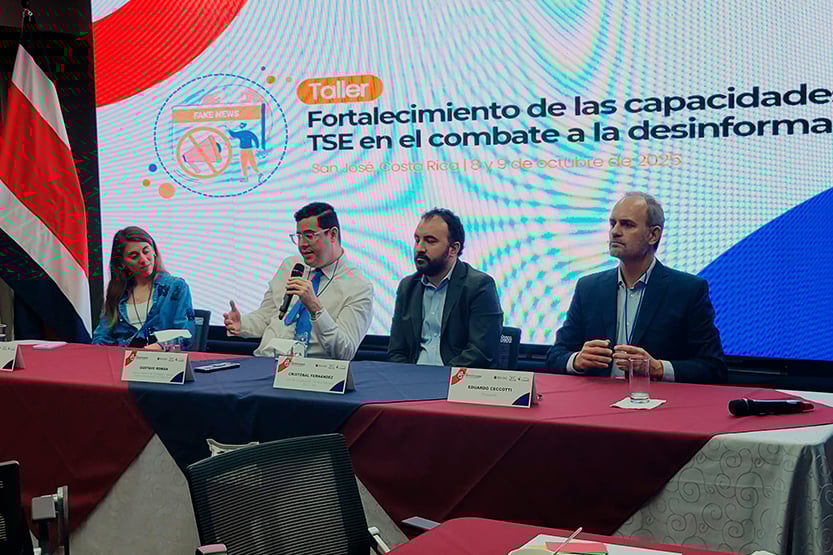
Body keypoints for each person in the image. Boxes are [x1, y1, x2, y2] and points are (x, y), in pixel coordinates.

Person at [545, 192, 727, 383]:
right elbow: (555, 355)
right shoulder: (589, 288)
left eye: (627, 224)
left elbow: (713, 368)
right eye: (612, 223)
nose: (615, 232)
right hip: (595, 398)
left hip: (656, 399)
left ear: (653, 235)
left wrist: (658, 368)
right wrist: (577, 360)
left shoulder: (688, 290)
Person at [224, 202, 373, 359]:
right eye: (299, 236)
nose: (302, 245)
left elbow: (345, 351)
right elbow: (267, 317)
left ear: (333, 235)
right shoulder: (291, 265)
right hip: (266, 362)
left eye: (309, 236)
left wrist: (316, 308)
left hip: (312, 371)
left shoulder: (358, 287)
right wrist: (242, 324)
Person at [388, 208, 503, 367]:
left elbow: (480, 352)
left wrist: (441, 378)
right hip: (411, 378)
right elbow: (396, 352)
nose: (420, 248)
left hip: (457, 379)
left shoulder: (479, 286)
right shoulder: (408, 287)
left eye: (430, 241)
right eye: (417, 240)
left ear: (453, 249)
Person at [92, 226, 196, 349]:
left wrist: (157, 347)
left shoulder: (176, 287)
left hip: (161, 357)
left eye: (146, 251)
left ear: (154, 251)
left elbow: (185, 335)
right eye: (134, 256)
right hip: (121, 357)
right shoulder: (117, 291)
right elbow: (102, 336)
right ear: (122, 263)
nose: (143, 259)